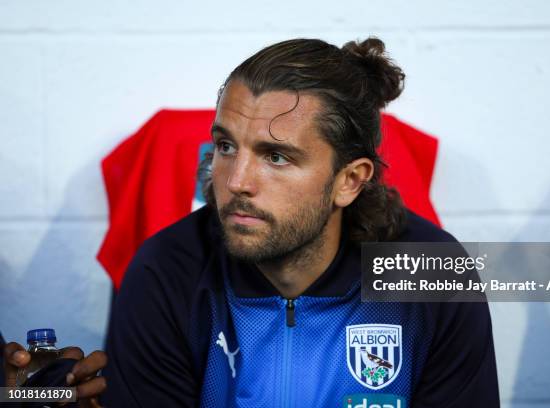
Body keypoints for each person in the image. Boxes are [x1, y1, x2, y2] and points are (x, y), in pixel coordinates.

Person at [101, 37, 500, 407]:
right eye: (225, 146)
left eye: (276, 157)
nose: (236, 182)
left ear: (349, 181)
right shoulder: (166, 271)